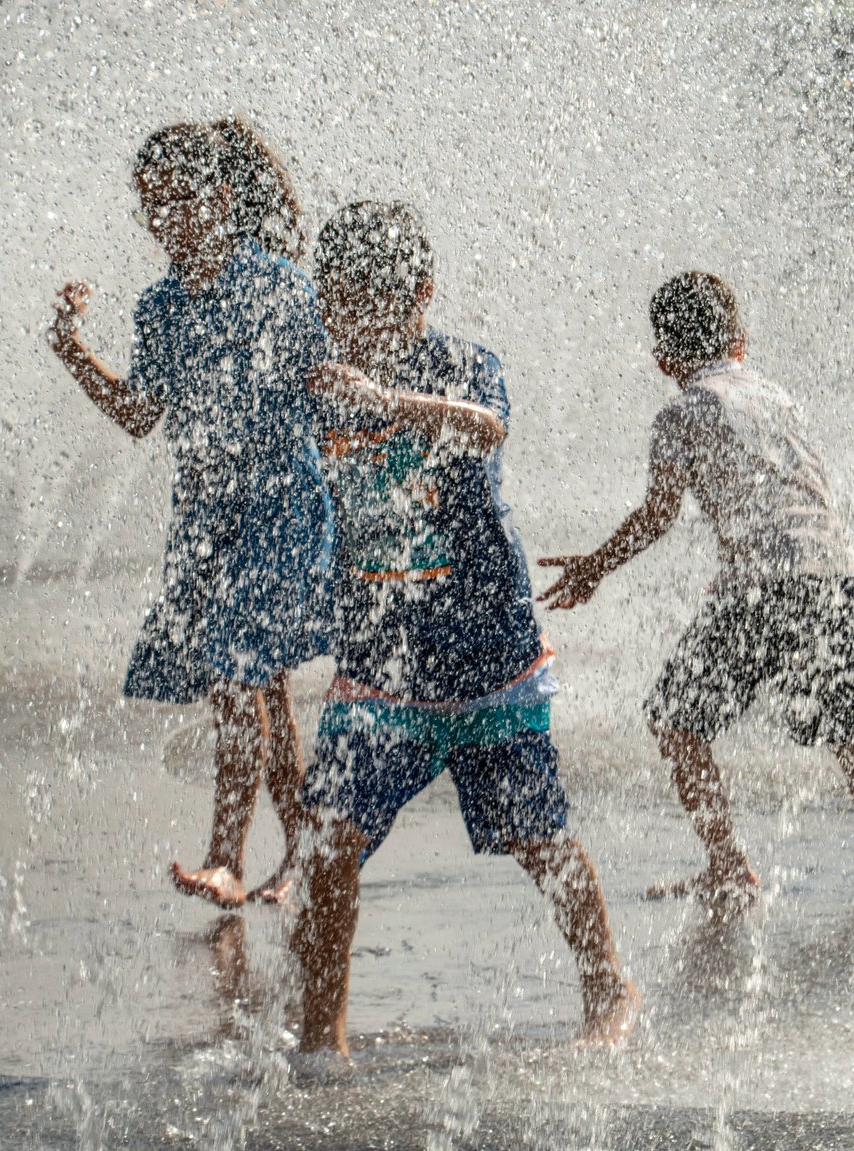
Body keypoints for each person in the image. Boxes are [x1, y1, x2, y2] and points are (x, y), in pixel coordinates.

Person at [290, 202, 639, 1055]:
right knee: (327, 848)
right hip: (381, 668)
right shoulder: (313, 378)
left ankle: (609, 988)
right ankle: (317, 1033)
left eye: (379, 302)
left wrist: (388, 400)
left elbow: (486, 429)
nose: (359, 322)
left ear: (422, 296)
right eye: (341, 302)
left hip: (489, 664)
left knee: (539, 838)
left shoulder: (460, 365)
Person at [538, 271, 854, 906]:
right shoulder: (775, 396)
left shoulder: (679, 415)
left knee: (675, 720)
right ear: (741, 342)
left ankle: (728, 864)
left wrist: (594, 568)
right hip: (830, 570)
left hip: (762, 586)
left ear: (663, 360)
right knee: (848, 724)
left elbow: (659, 517)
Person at [48, 118, 333, 908]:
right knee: (260, 688)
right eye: (151, 205)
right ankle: (302, 856)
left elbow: (333, 393)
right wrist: (74, 351)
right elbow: (141, 414)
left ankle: (225, 859)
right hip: (208, 515)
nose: (165, 219)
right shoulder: (161, 306)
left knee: (237, 669)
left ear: (221, 198)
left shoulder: (282, 285)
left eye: (177, 200)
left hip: (283, 504)